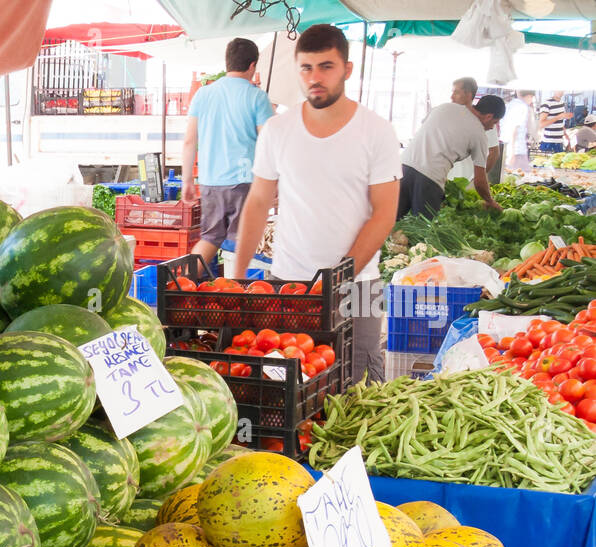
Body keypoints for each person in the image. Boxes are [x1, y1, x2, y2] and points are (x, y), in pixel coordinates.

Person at [234, 24, 401, 385]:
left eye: (326, 66)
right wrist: (237, 275)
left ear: (347, 69)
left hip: (359, 288)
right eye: (306, 68)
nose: (315, 78)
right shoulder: (278, 131)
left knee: (360, 388)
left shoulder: (376, 131)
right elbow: (258, 203)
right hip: (287, 282)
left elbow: (384, 213)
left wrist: (338, 278)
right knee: (290, 388)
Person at [181, 37, 274, 266]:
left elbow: (189, 141)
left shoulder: (203, 94)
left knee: (210, 238)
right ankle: (240, 294)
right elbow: (270, 141)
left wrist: (187, 182)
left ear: (228, 63)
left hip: (211, 182)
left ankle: (182, 284)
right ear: (252, 65)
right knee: (243, 243)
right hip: (244, 182)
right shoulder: (257, 97)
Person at [397, 95, 506, 219]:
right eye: (495, 122)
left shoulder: (445, 107)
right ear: (489, 117)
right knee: (423, 229)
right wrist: (491, 201)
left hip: (403, 167)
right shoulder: (479, 134)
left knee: (391, 221)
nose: (492, 127)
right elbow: (479, 181)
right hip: (430, 178)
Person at [448, 78, 501, 187]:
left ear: (468, 95)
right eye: (453, 92)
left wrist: (477, 176)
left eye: (456, 92)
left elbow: (494, 153)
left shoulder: (486, 121)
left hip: (464, 180)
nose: (452, 97)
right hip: (447, 179)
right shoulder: (449, 115)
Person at [501, 90, 536, 174]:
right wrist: (512, 151)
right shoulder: (522, 107)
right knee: (522, 176)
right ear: (530, 96)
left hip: (508, 147)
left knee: (511, 174)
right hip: (517, 150)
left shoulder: (511, 104)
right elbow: (514, 129)